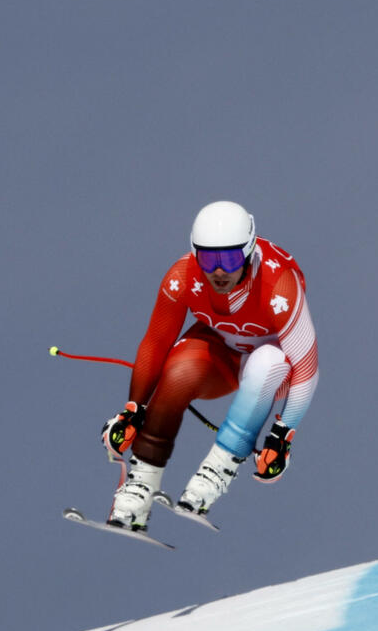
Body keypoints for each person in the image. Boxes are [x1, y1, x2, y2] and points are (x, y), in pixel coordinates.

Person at [100, 201, 319, 531]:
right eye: (207, 259)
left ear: (248, 251)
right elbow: (156, 342)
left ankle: (217, 469)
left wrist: (282, 435)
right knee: (178, 371)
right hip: (222, 356)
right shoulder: (182, 277)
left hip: (275, 366)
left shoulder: (279, 285)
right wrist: (134, 408)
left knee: (267, 362)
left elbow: (306, 366)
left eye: (229, 260)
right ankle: (140, 486)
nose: (218, 272)